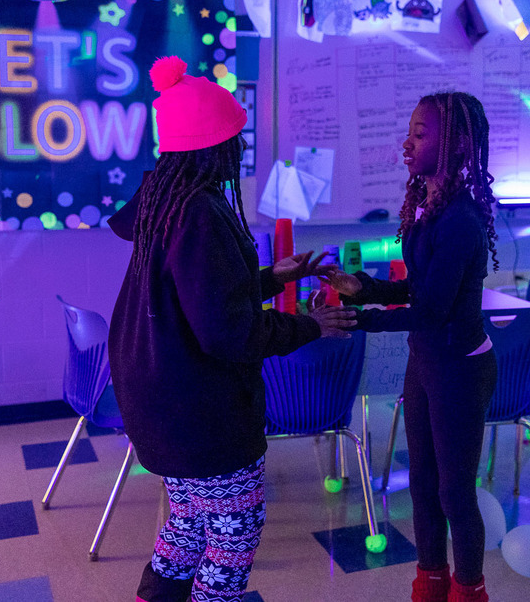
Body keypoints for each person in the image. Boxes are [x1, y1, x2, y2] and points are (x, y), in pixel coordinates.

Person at [107, 55, 357, 602]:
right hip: (199, 413)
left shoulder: (165, 201)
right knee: (232, 535)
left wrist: (268, 277)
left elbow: (199, 294)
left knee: (188, 525)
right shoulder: (198, 211)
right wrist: (309, 325)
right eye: (234, 139)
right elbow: (227, 332)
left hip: (163, 404)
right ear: (212, 144)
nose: (239, 151)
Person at [322, 92, 500, 602]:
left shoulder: (460, 220)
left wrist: (358, 320)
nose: (407, 143)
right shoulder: (430, 206)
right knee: (421, 485)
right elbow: (420, 289)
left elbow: (433, 311)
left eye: (421, 134)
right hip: (427, 364)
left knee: (453, 494)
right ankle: (430, 583)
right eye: (411, 131)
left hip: (461, 371)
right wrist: (366, 288)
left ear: (457, 144)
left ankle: (469, 590)